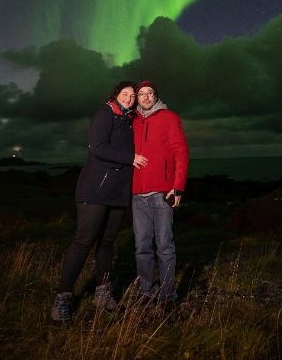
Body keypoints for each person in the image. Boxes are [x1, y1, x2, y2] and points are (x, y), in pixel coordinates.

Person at [51, 81, 147, 322]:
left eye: (132, 95)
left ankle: (102, 294)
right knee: (84, 242)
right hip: (96, 189)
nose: (129, 98)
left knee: (107, 242)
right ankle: (62, 299)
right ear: (115, 96)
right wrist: (130, 157)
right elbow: (98, 147)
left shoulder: (128, 119)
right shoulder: (105, 114)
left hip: (118, 192)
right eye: (125, 94)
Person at [131, 80, 189, 309]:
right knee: (142, 246)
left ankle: (167, 296)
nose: (145, 97)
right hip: (137, 193)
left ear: (156, 96)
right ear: (136, 98)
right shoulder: (131, 120)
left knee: (164, 245)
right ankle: (147, 291)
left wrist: (178, 187)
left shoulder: (169, 117)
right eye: (141, 94)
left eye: (150, 93)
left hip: (162, 192)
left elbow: (180, 152)